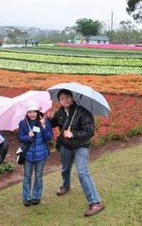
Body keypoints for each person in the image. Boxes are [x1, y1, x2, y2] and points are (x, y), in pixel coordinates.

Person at [48, 89, 104, 217]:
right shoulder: (60, 111)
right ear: (59, 100)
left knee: (82, 172)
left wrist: (74, 134)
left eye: (67, 97)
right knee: (65, 169)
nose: (65, 100)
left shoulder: (83, 112)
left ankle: (96, 202)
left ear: (72, 98)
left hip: (81, 146)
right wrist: (50, 119)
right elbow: (54, 123)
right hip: (66, 146)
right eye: (61, 98)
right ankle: (65, 186)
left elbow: (89, 132)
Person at [17, 101, 53, 207]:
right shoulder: (23, 123)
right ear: (27, 113)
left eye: (34, 112)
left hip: (41, 155)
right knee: (27, 176)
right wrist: (28, 137)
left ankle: (37, 196)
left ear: (38, 112)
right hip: (28, 155)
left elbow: (49, 137)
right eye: (29, 112)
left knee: (38, 176)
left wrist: (44, 126)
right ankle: (27, 197)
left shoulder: (44, 122)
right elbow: (19, 137)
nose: (32, 114)